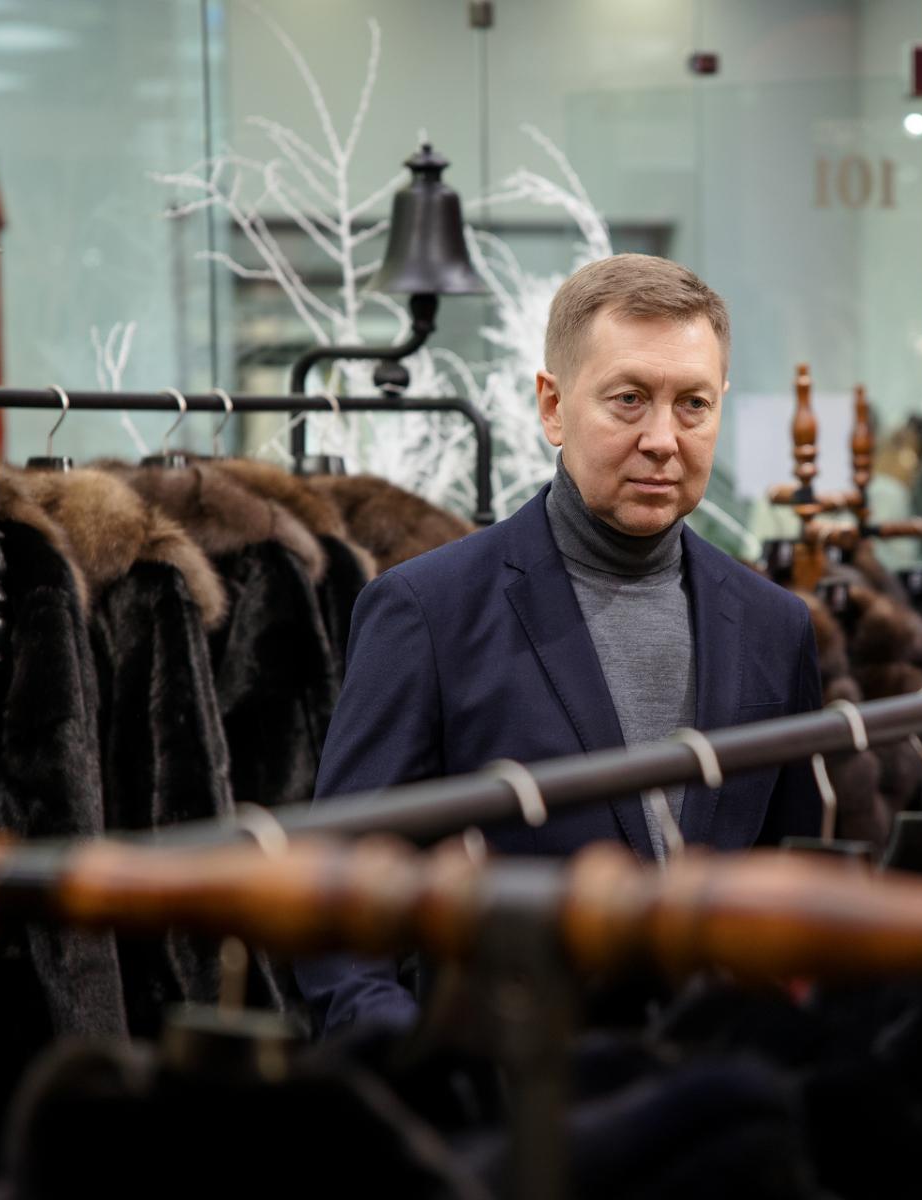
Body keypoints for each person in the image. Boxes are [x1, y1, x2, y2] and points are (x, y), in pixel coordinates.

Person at [297, 253, 824, 1034]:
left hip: (715, 1086)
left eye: (693, 404)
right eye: (629, 399)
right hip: (511, 1087)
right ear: (553, 406)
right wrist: (415, 1068)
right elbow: (338, 902)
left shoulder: (775, 627)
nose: (662, 439)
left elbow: (798, 886)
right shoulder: (428, 613)